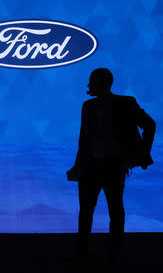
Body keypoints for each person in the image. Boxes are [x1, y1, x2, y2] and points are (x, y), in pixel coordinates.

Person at [66, 68, 155, 263]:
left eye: (91, 80)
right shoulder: (88, 106)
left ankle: (108, 253)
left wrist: (141, 155)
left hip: (112, 167)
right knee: (95, 211)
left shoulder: (125, 103)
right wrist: (77, 166)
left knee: (110, 210)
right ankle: (93, 253)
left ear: (100, 82)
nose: (88, 84)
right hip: (93, 167)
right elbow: (84, 141)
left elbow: (150, 124)